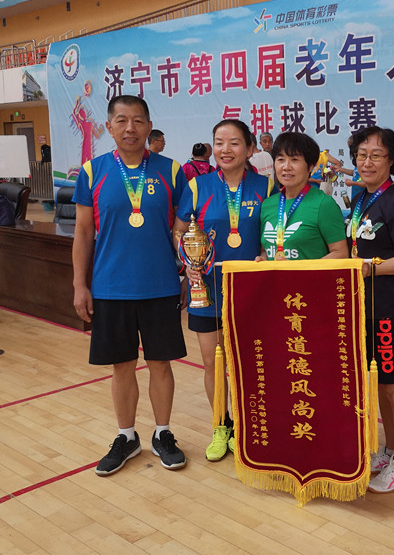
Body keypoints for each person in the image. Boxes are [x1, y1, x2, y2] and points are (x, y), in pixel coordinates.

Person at [72, 95, 189, 476]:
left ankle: (163, 433)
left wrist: (187, 274)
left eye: (138, 120)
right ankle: (126, 437)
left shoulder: (172, 171)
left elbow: (184, 231)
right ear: (109, 127)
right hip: (110, 287)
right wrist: (79, 284)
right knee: (121, 366)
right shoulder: (93, 172)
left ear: (149, 126)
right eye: (121, 120)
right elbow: (83, 232)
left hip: (160, 286)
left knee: (160, 364)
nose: (130, 128)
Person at [174, 119, 271, 461]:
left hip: (253, 292)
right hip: (208, 291)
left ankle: (249, 424)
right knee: (212, 363)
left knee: (249, 363)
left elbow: (274, 232)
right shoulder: (197, 186)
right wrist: (187, 261)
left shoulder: (266, 186)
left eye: (234, 143)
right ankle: (221, 425)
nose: (225, 150)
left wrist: (266, 254)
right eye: (219, 142)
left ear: (249, 148)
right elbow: (179, 231)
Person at [346, 126, 394, 493]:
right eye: (361, 155)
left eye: (376, 155)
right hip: (365, 308)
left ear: (392, 160)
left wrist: (369, 269)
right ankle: (390, 452)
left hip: (392, 309)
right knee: (380, 386)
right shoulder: (361, 198)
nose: (367, 162)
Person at [258, 132, 347, 261]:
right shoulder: (267, 204)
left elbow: (340, 253)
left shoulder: (324, 204)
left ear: (310, 166)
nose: (286, 167)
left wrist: (300, 270)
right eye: (281, 160)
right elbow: (266, 250)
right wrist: (263, 259)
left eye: (294, 160)